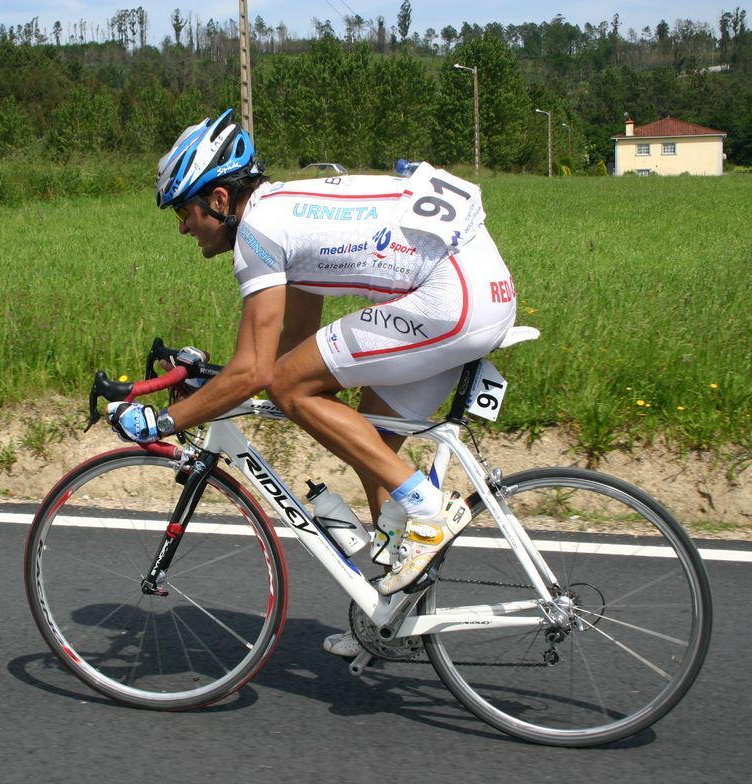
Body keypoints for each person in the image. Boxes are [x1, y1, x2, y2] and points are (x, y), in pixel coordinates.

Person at [107, 109, 517, 654]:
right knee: (373, 441)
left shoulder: (257, 235)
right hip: (473, 288)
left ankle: (429, 510)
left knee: (289, 389)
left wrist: (162, 420)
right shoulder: (283, 214)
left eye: (184, 211)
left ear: (220, 200)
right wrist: (210, 382)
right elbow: (290, 347)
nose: (182, 226)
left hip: (452, 299)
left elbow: (262, 374)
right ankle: (392, 618)